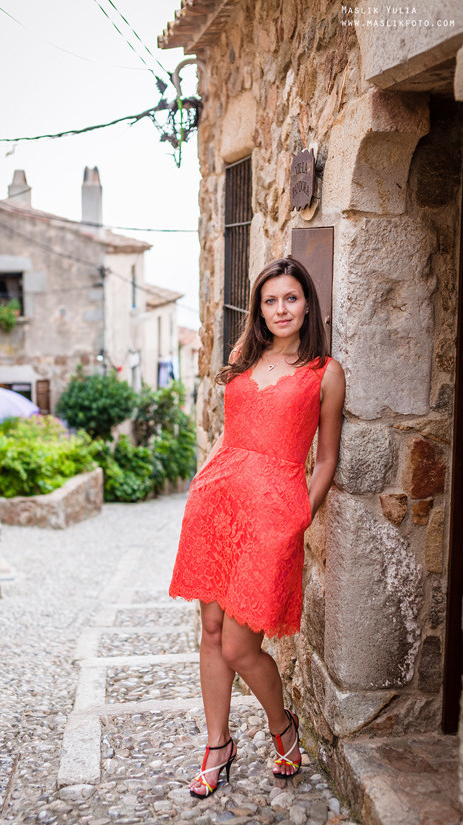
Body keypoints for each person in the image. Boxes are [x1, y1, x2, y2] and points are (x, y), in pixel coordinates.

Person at [169, 256, 346, 799]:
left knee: (242, 645)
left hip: (275, 516)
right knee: (212, 631)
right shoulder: (244, 358)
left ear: (308, 303)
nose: (280, 309)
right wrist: (204, 482)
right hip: (218, 504)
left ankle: (282, 726)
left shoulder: (325, 372)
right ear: (260, 309)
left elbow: (326, 461)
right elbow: (231, 435)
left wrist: (299, 516)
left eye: (290, 298)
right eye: (270, 301)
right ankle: (218, 745)